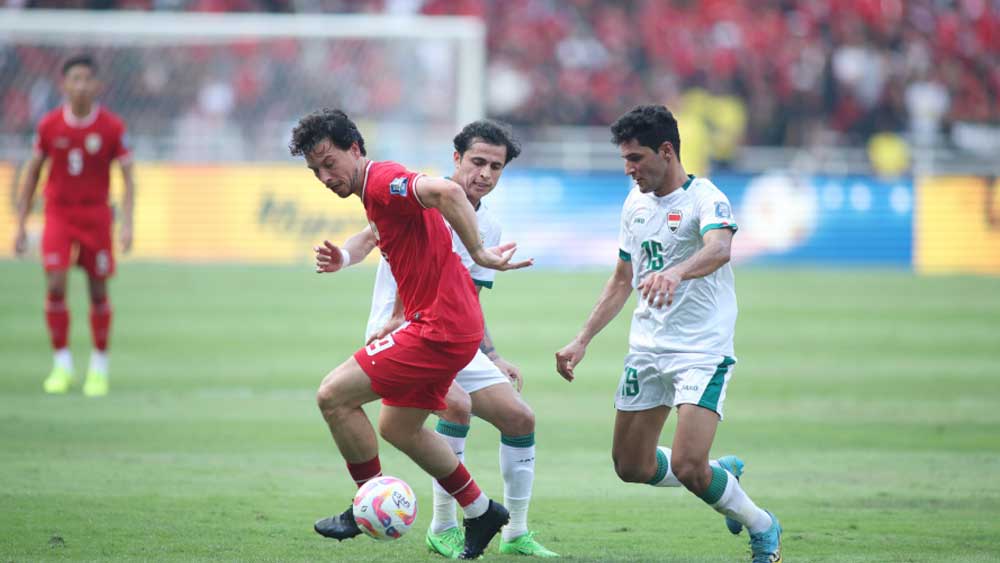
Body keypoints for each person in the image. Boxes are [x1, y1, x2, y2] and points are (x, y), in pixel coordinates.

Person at [289, 109, 532, 560]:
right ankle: (481, 511)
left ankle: (367, 503)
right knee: (399, 427)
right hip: (445, 325)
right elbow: (386, 236)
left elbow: (444, 190)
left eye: (329, 163)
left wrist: (478, 250)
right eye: (315, 170)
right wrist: (345, 257)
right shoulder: (374, 194)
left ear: (356, 150)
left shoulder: (382, 180)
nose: (324, 176)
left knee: (333, 396)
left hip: (437, 328)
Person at [554, 105, 782, 563]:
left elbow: (720, 249)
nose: (628, 169)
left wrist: (677, 273)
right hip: (647, 349)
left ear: (667, 150)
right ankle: (723, 475)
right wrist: (582, 338)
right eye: (624, 159)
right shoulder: (634, 203)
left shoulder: (707, 199)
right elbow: (622, 280)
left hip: (701, 351)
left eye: (636, 158)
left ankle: (763, 526)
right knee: (630, 466)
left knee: (686, 466)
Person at [13, 54, 136, 398]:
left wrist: (127, 224)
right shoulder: (49, 126)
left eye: (87, 79)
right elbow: (32, 174)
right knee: (55, 283)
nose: (81, 85)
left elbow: (128, 177)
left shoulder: (112, 127)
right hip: (59, 214)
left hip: (96, 215)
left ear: (97, 85)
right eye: (75, 79)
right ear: (64, 84)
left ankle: (98, 367)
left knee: (98, 290)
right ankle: (62, 364)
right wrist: (20, 224)